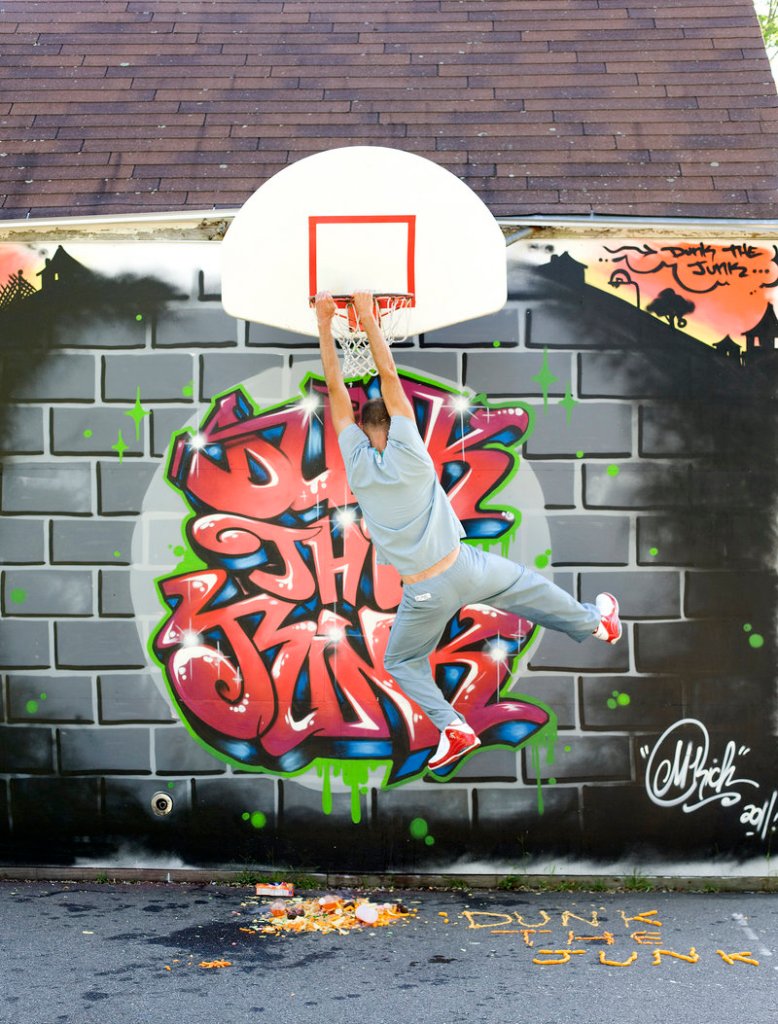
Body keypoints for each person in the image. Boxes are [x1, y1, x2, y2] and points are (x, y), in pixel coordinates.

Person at [316, 290, 621, 772]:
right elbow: (389, 376)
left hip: (423, 594)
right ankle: (598, 624)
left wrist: (323, 321)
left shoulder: (356, 467)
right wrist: (369, 318)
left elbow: (336, 393)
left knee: (400, 663)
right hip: (465, 566)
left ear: (360, 430)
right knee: (529, 588)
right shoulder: (412, 452)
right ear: (396, 425)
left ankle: (452, 727)